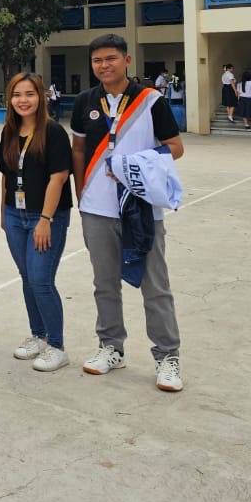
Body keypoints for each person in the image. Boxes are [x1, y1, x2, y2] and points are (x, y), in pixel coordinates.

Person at [71, 34, 186, 392]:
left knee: (155, 285)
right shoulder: (85, 102)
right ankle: (111, 346)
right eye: (97, 61)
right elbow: (78, 150)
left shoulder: (151, 101)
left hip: (141, 208)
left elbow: (176, 148)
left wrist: (130, 165)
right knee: (104, 282)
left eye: (110, 59)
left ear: (127, 60)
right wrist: (81, 193)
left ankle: (167, 356)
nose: (104, 66)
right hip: (97, 208)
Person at [0, 72, 73, 372]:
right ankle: (38, 336)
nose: (23, 100)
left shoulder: (52, 132)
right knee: (27, 276)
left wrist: (46, 219)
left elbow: (59, 177)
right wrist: (4, 212)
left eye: (29, 94)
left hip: (46, 216)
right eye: (17, 95)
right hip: (15, 215)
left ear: (41, 97)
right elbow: (6, 172)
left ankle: (56, 345)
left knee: (41, 280)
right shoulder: (10, 132)